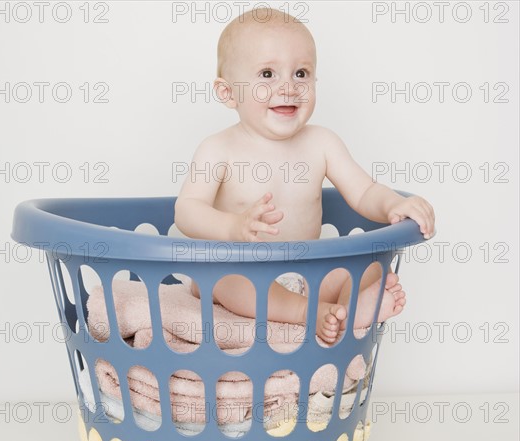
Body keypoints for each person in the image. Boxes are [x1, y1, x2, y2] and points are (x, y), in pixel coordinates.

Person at [174, 7, 435, 344]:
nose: (288, 86)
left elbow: (364, 191)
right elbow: (186, 210)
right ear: (228, 93)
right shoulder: (218, 149)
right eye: (267, 74)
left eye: (301, 73)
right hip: (239, 272)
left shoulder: (321, 143)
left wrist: (394, 206)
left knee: (369, 267)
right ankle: (307, 314)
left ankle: (343, 313)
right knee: (226, 279)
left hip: (306, 274)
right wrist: (233, 227)